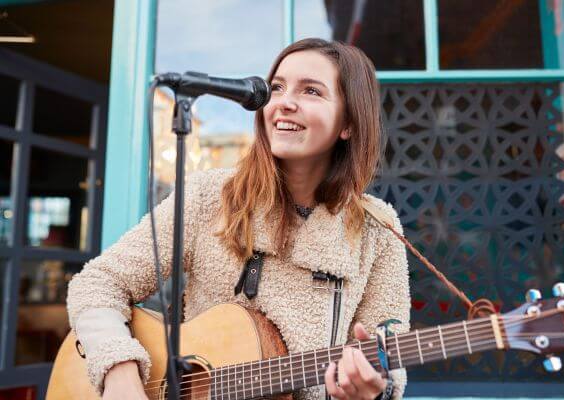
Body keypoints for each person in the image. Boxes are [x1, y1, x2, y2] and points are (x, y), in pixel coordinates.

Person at [67, 38, 411, 400]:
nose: (284, 102)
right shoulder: (208, 195)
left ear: (349, 123)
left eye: (311, 91)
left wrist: (374, 392)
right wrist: (119, 372)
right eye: (276, 88)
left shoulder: (379, 228)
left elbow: (388, 363)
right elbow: (96, 283)